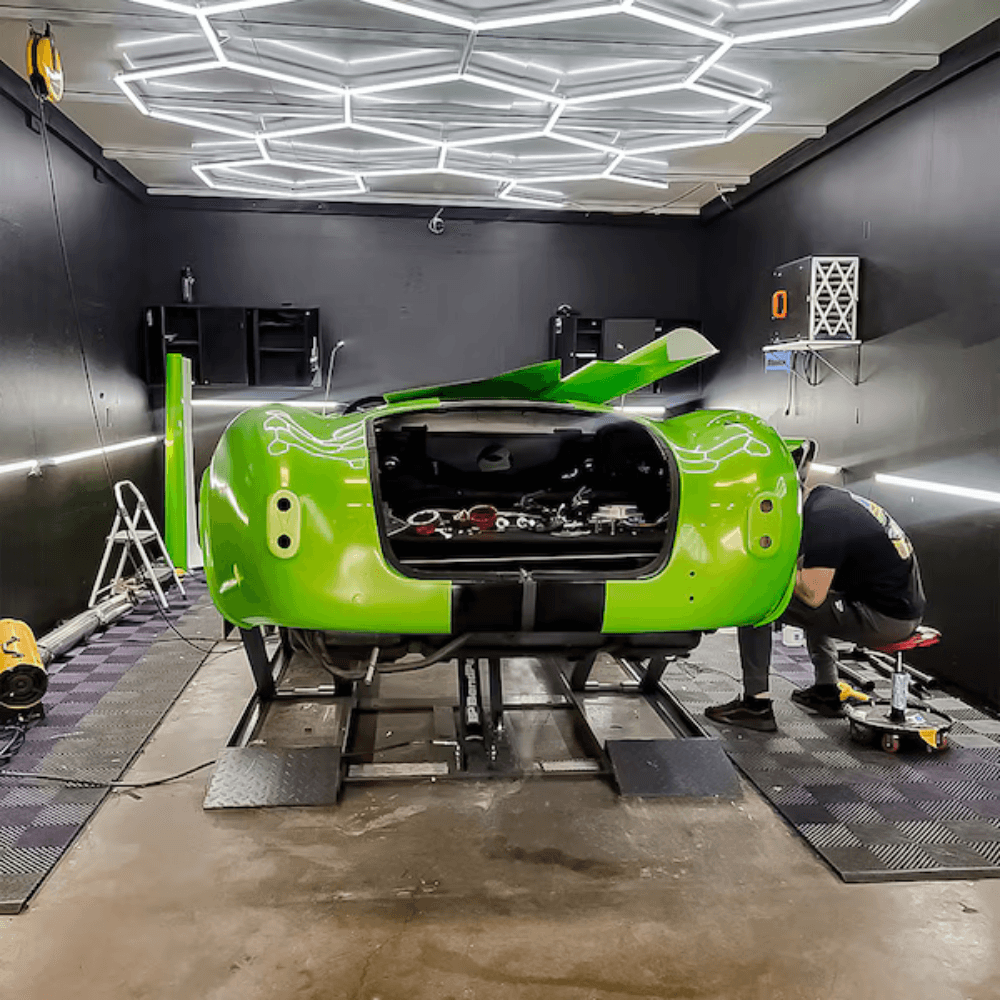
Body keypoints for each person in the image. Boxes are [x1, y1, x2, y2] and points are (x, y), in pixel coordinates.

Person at [706, 483, 926, 732]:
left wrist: (768, 569)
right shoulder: (827, 501)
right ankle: (826, 690)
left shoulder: (823, 520)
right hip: (900, 610)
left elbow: (811, 594)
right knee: (819, 590)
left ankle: (756, 705)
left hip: (886, 621)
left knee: (757, 599)